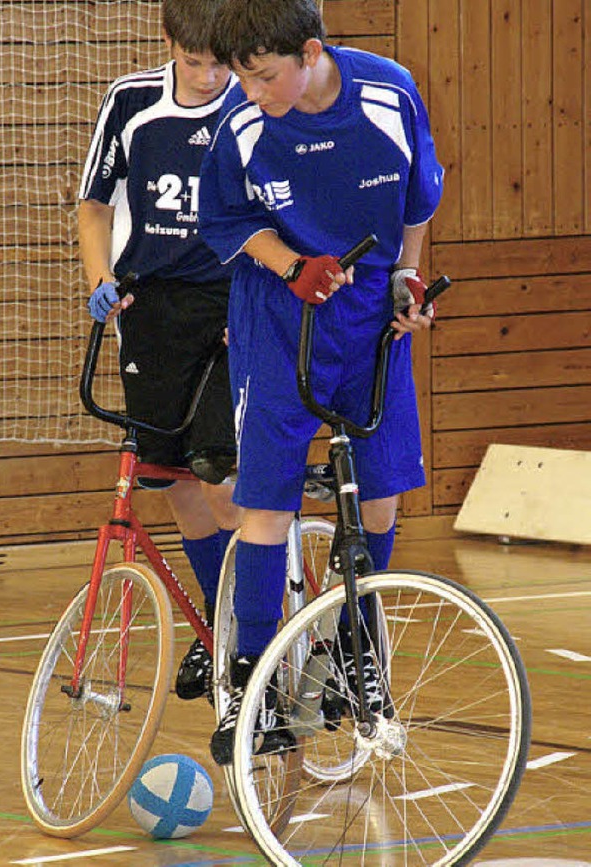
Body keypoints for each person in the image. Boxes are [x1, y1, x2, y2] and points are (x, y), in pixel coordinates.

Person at [198, 0, 444, 764]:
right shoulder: (242, 125)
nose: (251, 93)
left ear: (311, 53)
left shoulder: (390, 93)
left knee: (379, 491)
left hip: (368, 306)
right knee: (266, 497)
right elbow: (228, 222)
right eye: (241, 79)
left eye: (265, 77)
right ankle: (251, 683)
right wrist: (290, 266)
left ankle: (354, 652)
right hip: (280, 308)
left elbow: (417, 203)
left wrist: (406, 278)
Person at [78, 0, 240, 703]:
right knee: (173, 478)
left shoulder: (255, 104)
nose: (208, 78)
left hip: (234, 306)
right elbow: (93, 206)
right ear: (168, 42)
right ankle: (221, 618)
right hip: (152, 308)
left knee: (222, 473)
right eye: (194, 62)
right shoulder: (132, 101)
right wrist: (101, 280)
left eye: (219, 63)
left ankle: (256, 620)